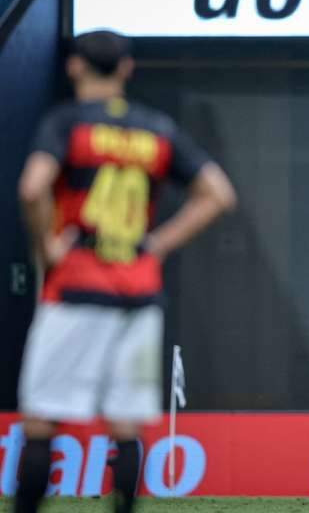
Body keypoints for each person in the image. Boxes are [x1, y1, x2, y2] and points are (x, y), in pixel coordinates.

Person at [14, 31, 237, 513]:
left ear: (74, 67)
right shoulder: (156, 128)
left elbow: (32, 189)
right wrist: (153, 246)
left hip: (77, 285)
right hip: (139, 291)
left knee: (41, 421)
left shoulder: (67, 122)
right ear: (126, 69)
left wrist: (48, 247)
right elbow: (218, 193)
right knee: (125, 425)